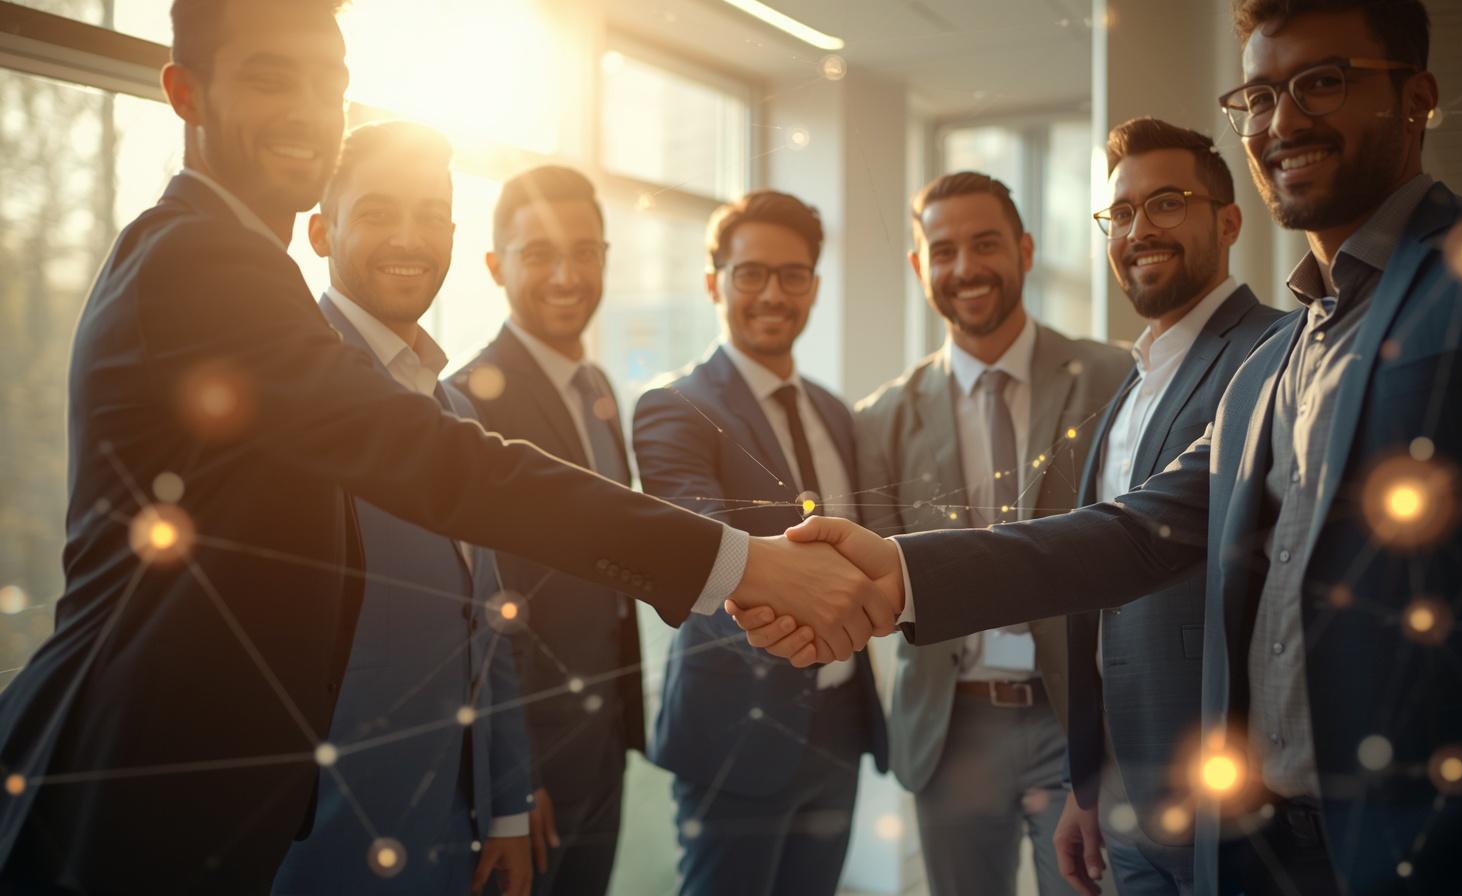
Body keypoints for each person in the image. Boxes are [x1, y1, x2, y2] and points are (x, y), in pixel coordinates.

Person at [0, 1, 891, 891]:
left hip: (205, 790)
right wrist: (741, 564)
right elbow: (443, 465)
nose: (311, 106)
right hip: (134, 790)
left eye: (331, 82)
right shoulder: (204, 260)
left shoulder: (233, 262)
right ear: (184, 93)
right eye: (273, 77)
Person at [735, 1, 1462, 893]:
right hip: (1278, 851)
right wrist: (901, 573)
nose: (1283, 121)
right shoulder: (1279, 359)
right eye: (1259, 97)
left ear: (1416, 97)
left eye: (1323, 83)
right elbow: (1131, 533)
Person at [270, 120, 532, 896]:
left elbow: (490, 618)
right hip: (322, 842)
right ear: (321, 232)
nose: (408, 238)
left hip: (452, 836)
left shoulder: (453, 408)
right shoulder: (287, 393)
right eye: (378, 212)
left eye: (429, 214)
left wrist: (507, 808)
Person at [855, 171, 1128, 896]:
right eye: (943, 251)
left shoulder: (1112, 375)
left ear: (1026, 249)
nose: (966, 269)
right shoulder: (881, 418)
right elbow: (880, 588)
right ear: (920, 267)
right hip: (952, 726)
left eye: (986, 244)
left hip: (1076, 716)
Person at [1046, 118, 1282, 896]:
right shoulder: (1127, 389)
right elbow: (1099, 599)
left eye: (1167, 203)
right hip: (1123, 800)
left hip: (1233, 806)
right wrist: (1091, 783)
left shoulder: (1276, 354)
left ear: (1229, 220)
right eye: (1120, 213)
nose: (1138, 230)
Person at [633, 190, 888, 896]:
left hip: (839, 725)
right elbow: (699, 546)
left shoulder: (836, 412)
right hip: (734, 735)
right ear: (715, 283)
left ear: (814, 287)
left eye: (793, 275)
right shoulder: (674, 405)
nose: (773, 294)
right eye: (751, 274)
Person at [450, 165, 639, 896]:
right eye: (540, 256)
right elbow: (484, 608)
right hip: (530, 752)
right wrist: (515, 774)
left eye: (586, 252)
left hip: (604, 732)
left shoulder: (598, 390)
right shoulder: (468, 404)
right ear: (497, 266)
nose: (568, 276)